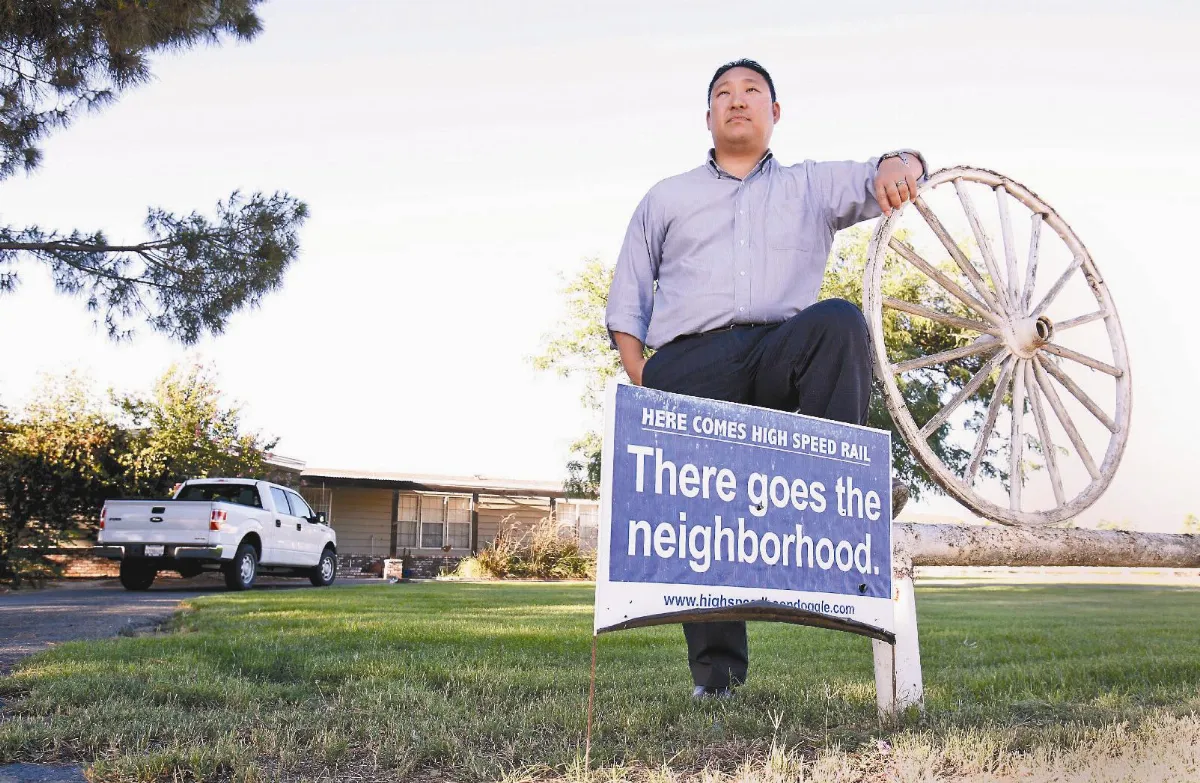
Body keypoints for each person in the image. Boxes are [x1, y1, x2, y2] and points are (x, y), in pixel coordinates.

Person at [604, 59, 925, 699]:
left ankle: (834, 492)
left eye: (753, 91)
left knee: (838, 321)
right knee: (697, 510)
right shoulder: (666, 196)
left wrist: (901, 164)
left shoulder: (810, 185)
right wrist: (648, 382)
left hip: (780, 354)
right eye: (723, 94)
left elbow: (893, 170)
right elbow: (627, 303)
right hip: (690, 363)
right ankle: (717, 676)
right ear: (708, 118)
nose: (738, 101)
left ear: (775, 113)